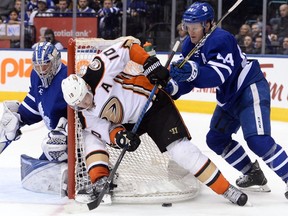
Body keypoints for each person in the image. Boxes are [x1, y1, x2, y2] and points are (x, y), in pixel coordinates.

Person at [61, 37, 248, 206]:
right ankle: (100, 179)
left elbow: (127, 47)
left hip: (153, 103)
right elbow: (105, 129)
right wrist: (120, 137)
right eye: (79, 104)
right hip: (129, 122)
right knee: (89, 137)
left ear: (85, 85)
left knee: (181, 151)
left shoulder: (98, 70)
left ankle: (226, 189)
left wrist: (148, 62)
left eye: (85, 97)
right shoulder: (83, 113)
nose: (86, 103)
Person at [168, 2, 288, 199]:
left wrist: (192, 71)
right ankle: (253, 173)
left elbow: (218, 75)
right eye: (187, 27)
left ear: (207, 24)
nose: (190, 32)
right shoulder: (189, 44)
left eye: (195, 27)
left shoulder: (222, 39)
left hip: (249, 87)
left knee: (257, 140)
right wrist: (173, 87)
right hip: (229, 96)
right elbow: (187, 81)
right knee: (216, 139)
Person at [0, 42, 68, 194]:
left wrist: (68, 133)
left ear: (56, 61)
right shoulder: (35, 76)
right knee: (10, 123)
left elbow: (84, 112)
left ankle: (88, 170)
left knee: (53, 146)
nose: (41, 70)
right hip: (56, 139)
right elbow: (36, 102)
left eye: (45, 65)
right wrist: (18, 117)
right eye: (37, 66)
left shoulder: (67, 77)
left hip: (72, 138)